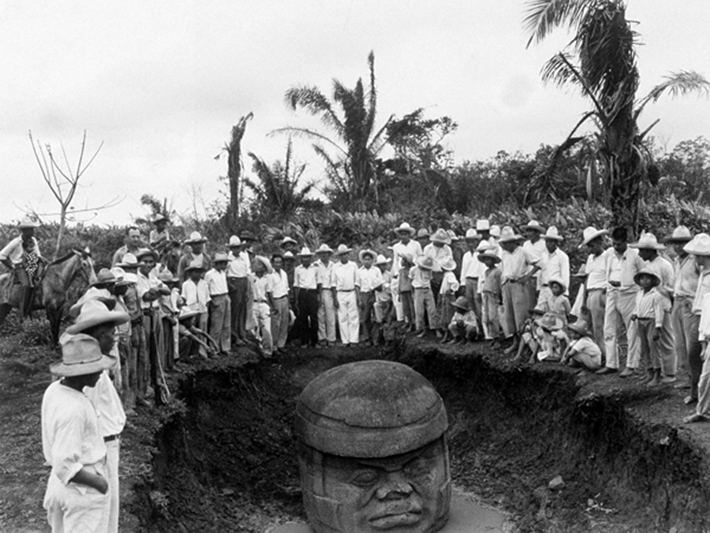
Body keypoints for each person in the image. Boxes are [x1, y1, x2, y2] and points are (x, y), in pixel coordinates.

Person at [66, 300, 130, 533]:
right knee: (103, 511)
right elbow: (88, 415)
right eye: (109, 334)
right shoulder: (89, 374)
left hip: (107, 443)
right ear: (95, 337)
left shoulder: (98, 367)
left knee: (109, 509)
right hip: (100, 447)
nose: (114, 339)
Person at [41, 334, 114, 533]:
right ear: (81, 372)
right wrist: (100, 483)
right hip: (80, 488)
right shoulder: (74, 410)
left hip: (59, 486)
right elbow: (65, 464)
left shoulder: (54, 390)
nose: (100, 373)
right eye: (96, 369)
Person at [597, 227, 645, 376]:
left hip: (629, 294)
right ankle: (611, 364)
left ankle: (631, 365)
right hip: (612, 292)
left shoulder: (635, 255)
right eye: (614, 243)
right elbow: (607, 272)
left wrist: (638, 293)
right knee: (609, 328)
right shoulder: (609, 254)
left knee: (632, 330)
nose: (616, 247)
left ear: (626, 241)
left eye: (619, 244)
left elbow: (644, 275)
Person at [630, 232, 675, 381]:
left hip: (663, 306)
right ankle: (654, 371)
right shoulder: (647, 266)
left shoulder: (665, 265)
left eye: (642, 250)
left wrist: (669, 305)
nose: (640, 253)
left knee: (666, 339)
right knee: (650, 344)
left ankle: (669, 372)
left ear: (650, 250)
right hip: (647, 311)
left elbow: (671, 288)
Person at [666, 226, 699, 393]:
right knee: (679, 342)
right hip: (677, 301)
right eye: (675, 244)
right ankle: (687, 376)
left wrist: (694, 301)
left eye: (681, 243)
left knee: (690, 342)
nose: (678, 247)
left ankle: (695, 378)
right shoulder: (677, 261)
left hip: (689, 302)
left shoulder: (695, 260)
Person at [682, 233, 710, 407]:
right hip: (696, 316)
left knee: (700, 355)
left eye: (697, 255)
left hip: (705, 319)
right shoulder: (703, 273)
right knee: (692, 355)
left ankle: (702, 396)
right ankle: (695, 392)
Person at [499, 226, 535, 355]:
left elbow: (538, 263)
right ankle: (515, 343)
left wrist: (527, 276)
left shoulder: (523, 251)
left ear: (512, 242)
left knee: (521, 316)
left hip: (518, 285)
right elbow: (504, 270)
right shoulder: (503, 254)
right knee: (509, 316)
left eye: (505, 243)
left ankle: (524, 344)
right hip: (506, 284)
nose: (503, 245)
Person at [631, 268, 670, 387]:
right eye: (642, 279)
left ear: (652, 281)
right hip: (641, 321)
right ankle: (649, 372)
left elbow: (659, 311)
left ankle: (658, 374)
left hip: (651, 321)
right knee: (644, 348)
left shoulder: (656, 295)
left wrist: (658, 327)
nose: (644, 281)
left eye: (647, 279)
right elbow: (637, 306)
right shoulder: (639, 294)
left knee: (653, 347)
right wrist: (634, 313)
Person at [0, 216, 45, 318]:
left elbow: (38, 255)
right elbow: (2, 255)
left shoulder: (33, 240)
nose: (32, 232)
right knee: (26, 285)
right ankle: (23, 312)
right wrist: (12, 266)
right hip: (20, 267)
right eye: (30, 229)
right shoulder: (16, 242)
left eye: (32, 229)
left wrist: (39, 264)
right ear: (24, 231)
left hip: (32, 264)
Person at [580, 226, 609, 360]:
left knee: (599, 327)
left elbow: (611, 275)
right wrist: (583, 299)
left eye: (592, 246)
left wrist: (605, 292)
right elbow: (587, 279)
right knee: (585, 327)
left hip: (600, 292)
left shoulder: (607, 256)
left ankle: (605, 356)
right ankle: (594, 355)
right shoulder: (590, 258)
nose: (590, 249)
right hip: (590, 292)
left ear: (600, 243)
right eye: (588, 247)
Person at [534, 226, 570, 307]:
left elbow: (565, 275)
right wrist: (538, 288)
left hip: (555, 290)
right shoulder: (543, 255)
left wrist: (564, 292)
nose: (549, 244)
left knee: (554, 314)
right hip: (544, 289)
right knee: (541, 314)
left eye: (551, 242)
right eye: (547, 242)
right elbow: (540, 272)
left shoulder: (562, 257)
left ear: (556, 243)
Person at [332, 245, 360, 347]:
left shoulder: (353, 265)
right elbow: (333, 284)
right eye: (341, 255)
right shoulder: (335, 267)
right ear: (339, 256)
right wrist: (335, 298)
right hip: (340, 293)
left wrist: (358, 297)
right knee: (342, 317)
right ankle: (345, 340)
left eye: (345, 254)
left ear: (348, 254)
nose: (344, 256)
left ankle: (354, 340)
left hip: (351, 292)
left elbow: (356, 282)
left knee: (353, 316)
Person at [181, 261, 210, 358]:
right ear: (190, 273)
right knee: (192, 330)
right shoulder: (186, 284)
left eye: (199, 272)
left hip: (202, 309)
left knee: (202, 329)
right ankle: (192, 352)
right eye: (195, 272)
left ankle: (203, 352)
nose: (198, 274)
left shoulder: (204, 283)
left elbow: (207, 298)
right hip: (191, 310)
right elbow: (184, 299)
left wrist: (206, 309)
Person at [204, 252, 231, 355]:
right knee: (216, 326)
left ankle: (225, 347)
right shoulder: (209, 274)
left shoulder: (223, 273)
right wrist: (211, 301)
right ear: (218, 264)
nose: (225, 266)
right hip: (216, 298)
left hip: (225, 296)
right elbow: (206, 289)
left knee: (226, 325)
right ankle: (214, 348)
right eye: (223, 263)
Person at [226, 235, 250, 347]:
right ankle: (234, 336)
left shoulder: (243, 257)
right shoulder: (228, 259)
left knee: (242, 310)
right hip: (234, 283)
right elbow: (225, 275)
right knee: (234, 311)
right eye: (234, 248)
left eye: (238, 247)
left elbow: (246, 273)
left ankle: (242, 334)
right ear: (231, 248)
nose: (236, 250)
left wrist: (247, 289)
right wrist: (231, 286)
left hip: (243, 283)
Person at [356, 249, 383, 346]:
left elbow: (380, 283)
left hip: (374, 293)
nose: (367, 261)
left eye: (369, 259)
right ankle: (367, 338)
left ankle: (375, 338)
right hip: (364, 294)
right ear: (362, 260)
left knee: (376, 317)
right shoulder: (359, 271)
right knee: (364, 318)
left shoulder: (376, 270)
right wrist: (359, 299)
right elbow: (357, 285)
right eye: (365, 259)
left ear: (372, 260)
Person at [294, 247, 319, 349]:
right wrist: (296, 299)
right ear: (301, 258)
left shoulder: (315, 268)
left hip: (312, 293)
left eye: (307, 257)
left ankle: (315, 341)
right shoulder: (298, 269)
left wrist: (319, 296)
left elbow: (319, 283)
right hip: (303, 293)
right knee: (302, 318)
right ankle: (304, 341)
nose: (306, 259)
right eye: (304, 257)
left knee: (314, 317)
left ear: (310, 258)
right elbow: (296, 285)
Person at [479, 248, 503, 348]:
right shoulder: (486, 272)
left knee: (493, 317)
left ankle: (497, 338)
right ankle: (492, 336)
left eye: (488, 260)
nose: (486, 262)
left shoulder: (498, 271)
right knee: (487, 318)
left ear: (493, 261)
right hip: (486, 294)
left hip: (493, 295)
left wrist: (500, 297)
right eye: (485, 260)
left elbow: (499, 285)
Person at [459, 229, 484, 326]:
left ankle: (482, 327)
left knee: (478, 304)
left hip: (477, 280)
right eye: (468, 242)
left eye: (472, 241)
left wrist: (480, 286)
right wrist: (462, 284)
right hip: (468, 281)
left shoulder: (480, 255)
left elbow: (482, 271)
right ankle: (474, 326)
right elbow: (463, 270)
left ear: (476, 241)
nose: (470, 244)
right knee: (470, 305)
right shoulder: (466, 255)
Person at [251, 256, 274, 357]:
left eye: (259, 264)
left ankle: (268, 350)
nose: (256, 266)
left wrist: (273, 306)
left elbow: (269, 293)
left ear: (264, 268)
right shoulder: (250, 277)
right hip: (253, 303)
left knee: (266, 329)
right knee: (254, 328)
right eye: (256, 264)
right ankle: (257, 350)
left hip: (263, 303)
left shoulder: (267, 279)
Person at [411, 255, 439, 338]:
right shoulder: (413, 270)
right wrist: (413, 292)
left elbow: (429, 279)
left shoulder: (429, 270)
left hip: (428, 289)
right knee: (419, 311)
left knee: (432, 310)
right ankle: (422, 330)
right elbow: (411, 280)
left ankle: (435, 329)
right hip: (418, 290)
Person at [423, 228, 453, 302]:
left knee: (443, 298)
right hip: (431, 276)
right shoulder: (427, 249)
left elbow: (450, 264)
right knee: (431, 299)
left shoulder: (447, 249)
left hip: (444, 275)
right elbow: (424, 265)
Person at [315, 244, 336, 347]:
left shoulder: (333, 265)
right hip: (319, 291)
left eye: (326, 253)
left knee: (330, 315)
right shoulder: (315, 265)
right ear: (319, 255)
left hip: (329, 291)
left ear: (329, 254)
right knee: (320, 315)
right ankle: (322, 337)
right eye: (322, 254)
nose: (324, 255)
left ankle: (331, 338)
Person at [270, 253, 291, 354]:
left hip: (284, 299)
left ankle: (281, 344)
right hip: (276, 299)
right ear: (272, 263)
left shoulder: (284, 273)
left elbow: (286, 289)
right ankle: (274, 346)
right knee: (275, 324)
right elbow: (269, 291)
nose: (278, 264)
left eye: (280, 262)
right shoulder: (270, 275)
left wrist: (288, 302)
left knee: (284, 322)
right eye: (276, 262)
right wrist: (272, 304)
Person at [521, 220, 547, 300]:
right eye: (528, 231)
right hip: (527, 274)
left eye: (531, 231)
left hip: (539, 274)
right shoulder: (526, 244)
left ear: (537, 232)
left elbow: (543, 262)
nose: (528, 234)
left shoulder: (543, 244)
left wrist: (530, 274)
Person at [372, 254, 393, 346]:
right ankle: (377, 340)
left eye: (385, 264)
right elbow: (376, 288)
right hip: (379, 300)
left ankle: (387, 341)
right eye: (382, 265)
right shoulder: (375, 275)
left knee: (389, 321)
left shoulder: (389, 275)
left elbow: (392, 288)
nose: (384, 266)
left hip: (389, 300)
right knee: (379, 321)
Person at [438, 257, 460, 343]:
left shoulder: (449, 275)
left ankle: (452, 335)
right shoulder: (446, 275)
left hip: (449, 297)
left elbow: (455, 283)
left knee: (449, 316)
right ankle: (447, 334)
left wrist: (451, 290)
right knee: (444, 316)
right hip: (445, 297)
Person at [399, 252, 416, 330]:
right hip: (403, 291)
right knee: (405, 309)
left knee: (411, 308)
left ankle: (413, 323)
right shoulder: (401, 271)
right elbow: (400, 282)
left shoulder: (411, 270)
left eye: (403, 260)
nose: (401, 261)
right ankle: (409, 322)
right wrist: (399, 293)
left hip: (409, 291)